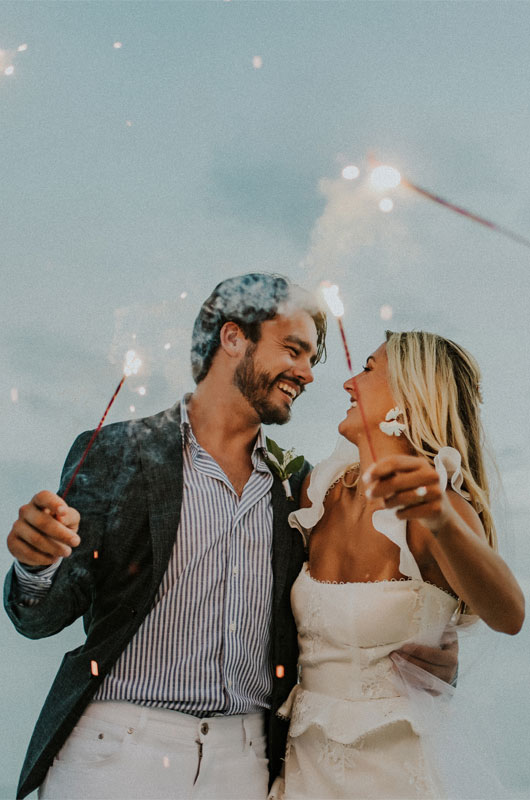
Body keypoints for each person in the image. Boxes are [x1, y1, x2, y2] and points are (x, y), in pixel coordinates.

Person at [5, 276, 456, 800]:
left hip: (244, 762)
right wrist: (35, 566)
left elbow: (341, 603)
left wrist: (426, 646)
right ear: (233, 338)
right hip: (115, 753)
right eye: (293, 350)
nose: (308, 374)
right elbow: (38, 618)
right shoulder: (116, 452)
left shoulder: (301, 488)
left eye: (313, 358)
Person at [270, 331, 524, 800]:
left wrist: (440, 518)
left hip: (392, 772)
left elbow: (509, 615)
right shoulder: (318, 493)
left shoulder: (441, 508)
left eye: (367, 369)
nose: (349, 382)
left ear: (410, 396)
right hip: (303, 765)